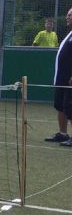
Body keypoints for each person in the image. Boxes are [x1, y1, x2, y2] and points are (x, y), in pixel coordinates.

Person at [45, 8, 72, 146]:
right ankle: (62, 134)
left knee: (70, 107)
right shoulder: (70, 34)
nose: (67, 17)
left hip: (69, 81)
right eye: (67, 14)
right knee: (60, 106)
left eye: (70, 15)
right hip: (61, 79)